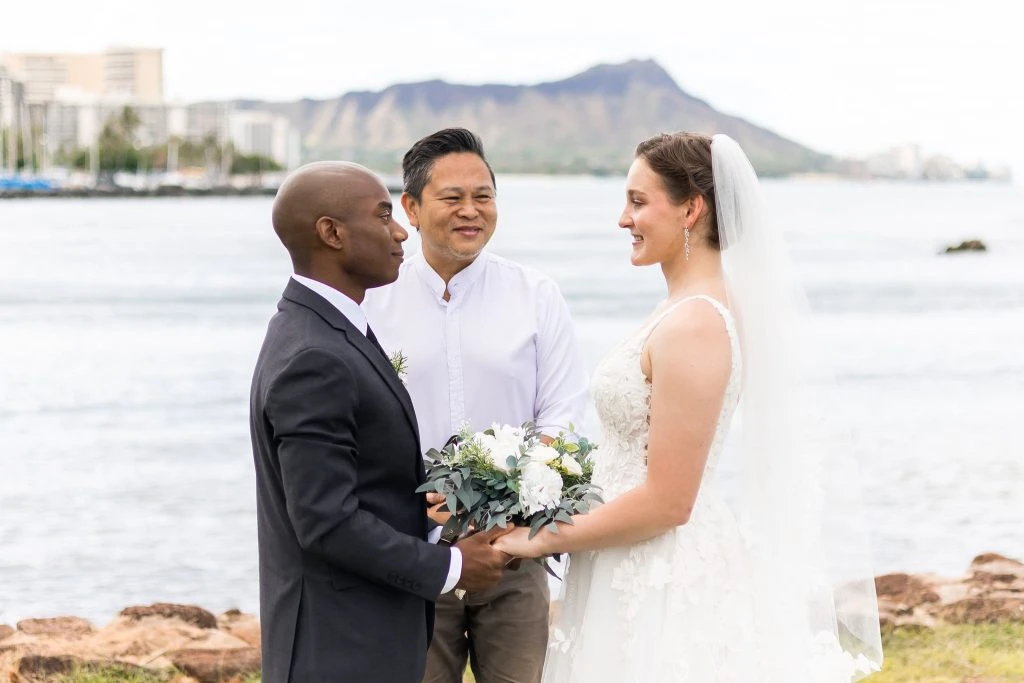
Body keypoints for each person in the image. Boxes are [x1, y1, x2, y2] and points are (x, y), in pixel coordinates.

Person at [495, 133, 883, 681]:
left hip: (661, 572)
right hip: (623, 556)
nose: (623, 220)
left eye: (638, 201)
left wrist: (534, 540)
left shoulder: (696, 323)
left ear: (692, 208)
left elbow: (668, 502)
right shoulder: (682, 307)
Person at [249, 161, 511, 683]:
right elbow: (326, 521)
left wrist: (442, 524)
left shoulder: (329, 329)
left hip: (361, 638)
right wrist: (453, 568)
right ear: (332, 233)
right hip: (339, 649)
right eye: (384, 215)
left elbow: (369, 486)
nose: (400, 232)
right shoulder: (313, 356)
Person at [364, 128, 588, 683]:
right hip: (415, 556)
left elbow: (560, 415)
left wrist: (515, 516)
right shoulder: (372, 301)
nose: (472, 211)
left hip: (515, 554)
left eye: (483, 196)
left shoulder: (535, 295)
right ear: (412, 209)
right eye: (452, 197)